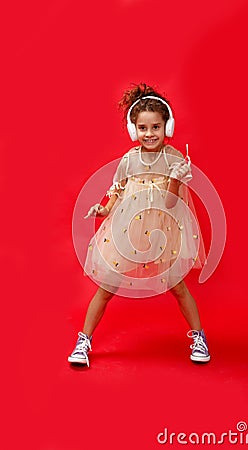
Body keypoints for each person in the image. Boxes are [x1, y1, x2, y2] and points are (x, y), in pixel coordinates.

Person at [68, 83, 210, 367]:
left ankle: (199, 337)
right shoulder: (129, 160)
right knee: (107, 288)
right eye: (143, 128)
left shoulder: (174, 159)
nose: (149, 134)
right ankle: (83, 340)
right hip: (127, 233)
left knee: (178, 287)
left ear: (166, 127)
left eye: (156, 127)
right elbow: (116, 196)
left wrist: (176, 179)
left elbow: (171, 204)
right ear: (134, 131)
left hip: (162, 233)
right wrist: (102, 209)